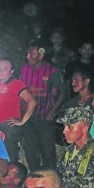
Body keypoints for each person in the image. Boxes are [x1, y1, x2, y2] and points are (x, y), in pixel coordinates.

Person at [21, 39, 67, 171]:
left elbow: (62, 92)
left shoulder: (52, 71)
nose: (28, 56)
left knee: (48, 152)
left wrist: (52, 112)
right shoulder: (25, 69)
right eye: (28, 53)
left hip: (45, 118)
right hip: (28, 117)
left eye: (32, 53)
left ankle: (51, 181)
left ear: (41, 55)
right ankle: (35, 179)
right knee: (30, 152)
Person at [0, 57, 37, 162]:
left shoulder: (16, 84)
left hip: (8, 127)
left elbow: (32, 102)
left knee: (10, 158)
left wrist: (22, 121)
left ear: (11, 72)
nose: (0, 71)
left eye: (5, 68)